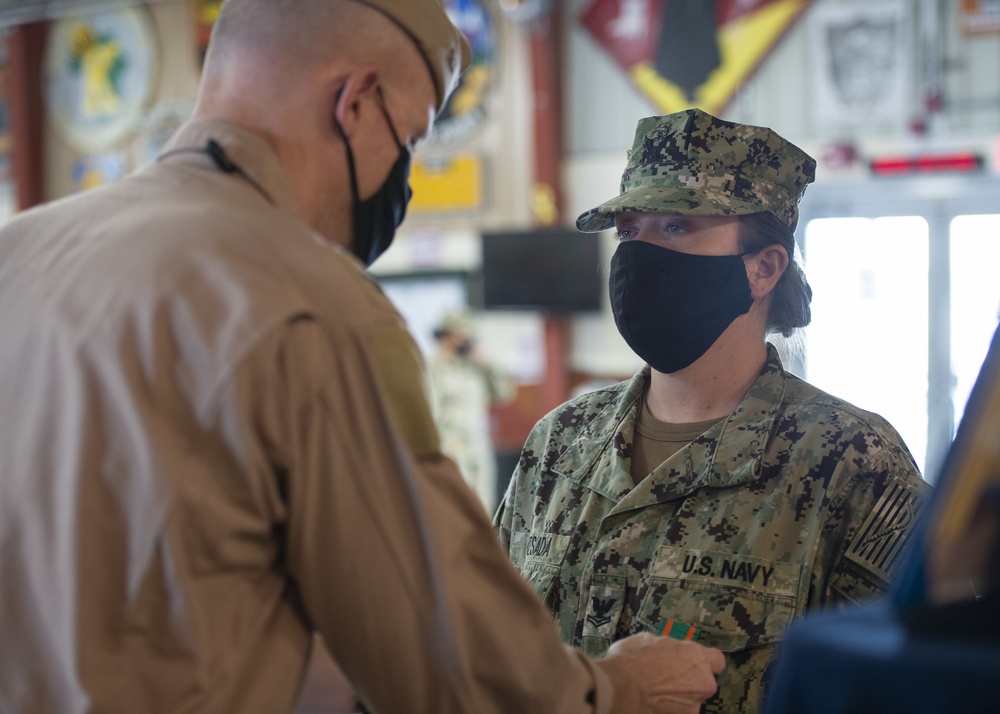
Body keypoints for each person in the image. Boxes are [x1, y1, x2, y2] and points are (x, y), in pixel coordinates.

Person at [0, 2, 725, 713]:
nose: (401, 177)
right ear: (356, 100)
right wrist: (621, 688)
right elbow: (453, 672)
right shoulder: (309, 302)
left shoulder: (19, 253)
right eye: (408, 137)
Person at [493, 109, 931, 713]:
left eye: (675, 227)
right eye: (628, 230)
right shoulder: (560, 443)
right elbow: (491, 653)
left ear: (762, 268)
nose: (637, 254)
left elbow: (906, 685)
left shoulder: (851, 462)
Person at [428, 311, 514, 511]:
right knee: (456, 507)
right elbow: (431, 410)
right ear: (446, 337)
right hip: (451, 446)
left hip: (479, 445)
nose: (466, 341)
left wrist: (488, 363)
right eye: (461, 336)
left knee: (484, 507)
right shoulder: (433, 368)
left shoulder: (474, 366)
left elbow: (504, 394)